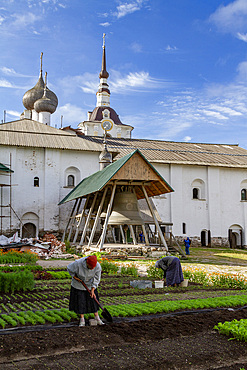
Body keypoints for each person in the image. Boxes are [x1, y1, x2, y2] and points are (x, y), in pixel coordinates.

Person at [67, 255, 104, 327]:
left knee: (93, 300)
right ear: (87, 263)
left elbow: (97, 278)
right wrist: (74, 277)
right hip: (78, 284)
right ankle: (82, 320)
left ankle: (97, 318)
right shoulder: (77, 263)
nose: (92, 269)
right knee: (80, 302)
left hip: (90, 284)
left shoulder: (98, 266)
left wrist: (93, 289)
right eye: (90, 267)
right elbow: (69, 268)